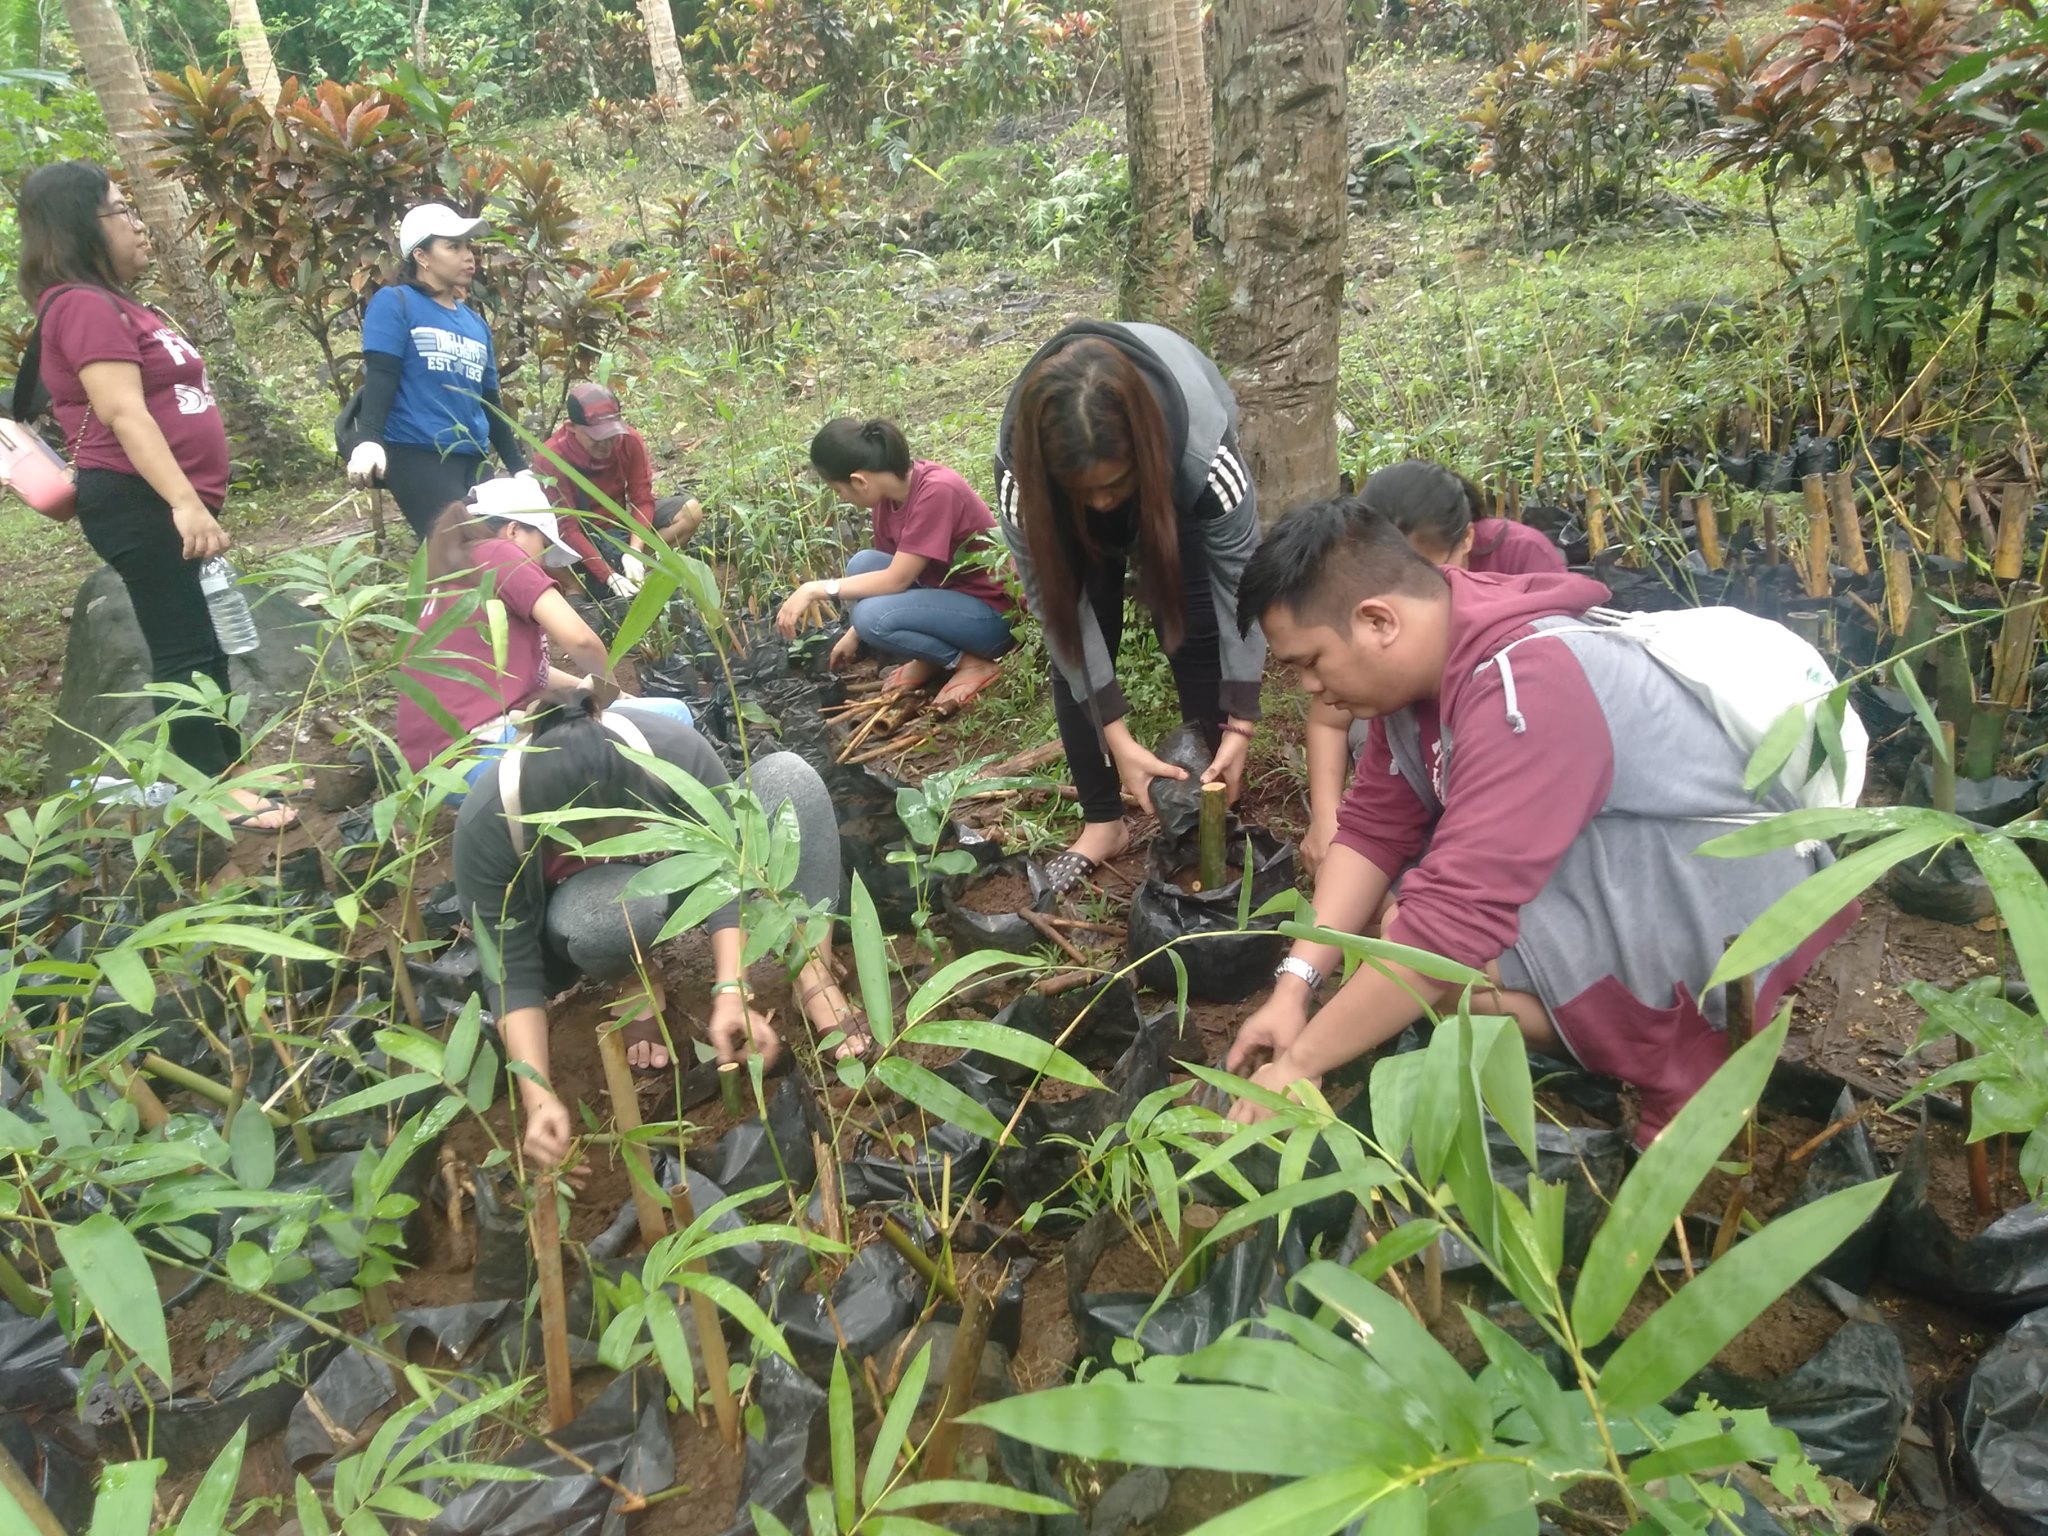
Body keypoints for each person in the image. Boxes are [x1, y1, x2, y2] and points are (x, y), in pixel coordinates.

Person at [1223, 498, 1855, 1144]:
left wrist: (1301, 1064)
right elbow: (1372, 830)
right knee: (1401, 923)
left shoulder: (1528, 688)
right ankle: (1638, 1021)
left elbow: (1447, 932)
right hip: (1642, 859)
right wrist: (1292, 990)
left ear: (1379, 620)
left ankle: (1686, 1058)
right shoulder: (1425, 664)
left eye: (1308, 661)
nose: (1305, 688)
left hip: (1730, 886)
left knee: (1439, 961)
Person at [454, 698, 864, 1167]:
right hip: (604, 903)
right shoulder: (489, 821)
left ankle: (811, 970)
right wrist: (538, 1094)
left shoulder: (671, 752)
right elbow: (510, 968)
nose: (611, 845)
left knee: (790, 777)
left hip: (686, 874)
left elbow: (723, 872)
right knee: (592, 919)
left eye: (622, 828)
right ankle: (634, 982)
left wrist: (732, 990)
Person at [17, 161, 294, 829]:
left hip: (157, 499)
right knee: (184, 645)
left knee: (199, 639)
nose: (137, 222)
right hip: (139, 500)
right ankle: (209, 786)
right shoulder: (81, 305)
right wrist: (184, 502)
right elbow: (124, 413)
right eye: (119, 210)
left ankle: (221, 771)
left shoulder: (111, 302)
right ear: (81, 226)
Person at [993, 322, 1264, 893]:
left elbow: (1240, 582)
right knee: (1080, 646)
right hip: (1059, 502)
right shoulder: (1025, 482)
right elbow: (1059, 612)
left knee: (1192, 631)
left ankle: (1209, 796)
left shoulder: (1204, 458)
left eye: (1112, 485)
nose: (1101, 501)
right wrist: (1116, 738)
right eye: (1083, 490)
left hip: (1172, 479)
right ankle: (1102, 822)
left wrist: (1241, 719)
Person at [1301, 460, 1573, 872]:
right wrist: (1327, 820)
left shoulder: (1523, 558)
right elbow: (1327, 721)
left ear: (1466, 538)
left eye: (1421, 571)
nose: (1398, 598)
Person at [395, 477, 693, 791]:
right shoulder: (498, 552)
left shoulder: (452, 575)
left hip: (440, 775)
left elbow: (533, 672)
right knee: (673, 717)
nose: (542, 561)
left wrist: (606, 695)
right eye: (542, 545)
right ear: (514, 531)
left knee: (645, 717)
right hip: (483, 756)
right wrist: (609, 695)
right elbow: (581, 640)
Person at [776, 417, 1015, 713]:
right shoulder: (888, 501)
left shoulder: (938, 491)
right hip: (949, 597)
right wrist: (853, 635)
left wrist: (815, 589)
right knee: (862, 564)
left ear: (859, 481)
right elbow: (887, 576)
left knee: (871, 617)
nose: (843, 499)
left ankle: (971, 664)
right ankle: (931, 659)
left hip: (993, 616)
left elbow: (896, 581)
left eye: (839, 491)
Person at [343, 203, 530, 540]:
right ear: (422, 256)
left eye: (468, 246)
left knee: (502, 551)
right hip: (417, 453)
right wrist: (369, 440)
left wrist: (519, 469)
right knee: (465, 551)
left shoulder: (474, 323)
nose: (468, 256)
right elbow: (381, 376)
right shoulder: (395, 302)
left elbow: (488, 402)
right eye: (453, 246)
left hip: (473, 458)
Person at [533, 381, 705, 604]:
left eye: (611, 436)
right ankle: (575, 589)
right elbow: (568, 527)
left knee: (690, 511)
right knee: (532, 543)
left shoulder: (628, 440)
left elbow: (642, 499)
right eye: (597, 439)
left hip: (619, 526)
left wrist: (634, 551)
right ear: (572, 427)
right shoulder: (552, 457)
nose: (606, 445)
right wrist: (608, 575)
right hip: (575, 540)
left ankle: (636, 569)